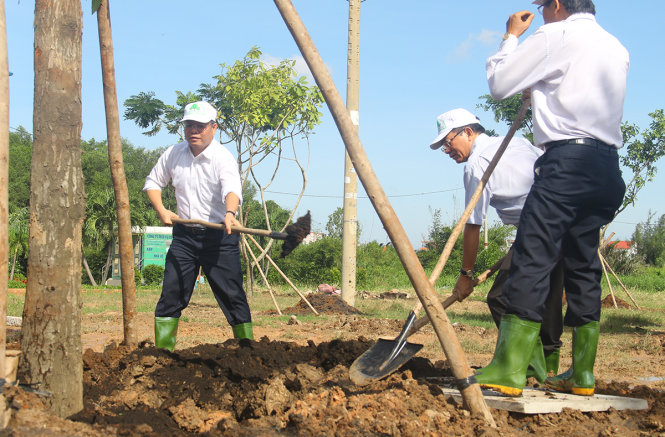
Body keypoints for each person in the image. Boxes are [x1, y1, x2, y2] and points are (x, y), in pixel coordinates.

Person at [474, 0, 628, 396]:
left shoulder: (554, 34)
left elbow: (498, 84)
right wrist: (539, 87)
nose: (540, 13)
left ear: (556, 5)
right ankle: (582, 374)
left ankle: (509, 369)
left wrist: (510, 37)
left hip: (566, 163)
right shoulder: (615, 46)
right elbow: (573, 90)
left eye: (542, 6)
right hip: (606, 167)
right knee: (582, 264)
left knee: (532, 256)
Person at [429, 108, 564, 383]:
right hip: (565, 218)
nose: (446, 150)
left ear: (468, 132)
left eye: (448, 141)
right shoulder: (513, 142)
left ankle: (526, 366)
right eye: (442, 146)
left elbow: (473, 224)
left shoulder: (476, 164)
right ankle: (548, 369)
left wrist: (466, 275)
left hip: (538, 226)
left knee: (501, 297)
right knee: (548, 297)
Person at [143, 101, 253, 351]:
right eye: (189, 125)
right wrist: (162, 210)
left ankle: (247, 350)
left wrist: (230, 213)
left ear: (214, 128)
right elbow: (152, 182)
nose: (194, 130)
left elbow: (232, 189)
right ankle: (163, 354)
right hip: (184, 237)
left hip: (219, 236)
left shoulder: (222, 157)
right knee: (172, 292)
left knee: (232, 295)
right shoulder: (173, 153)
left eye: (200, 126)